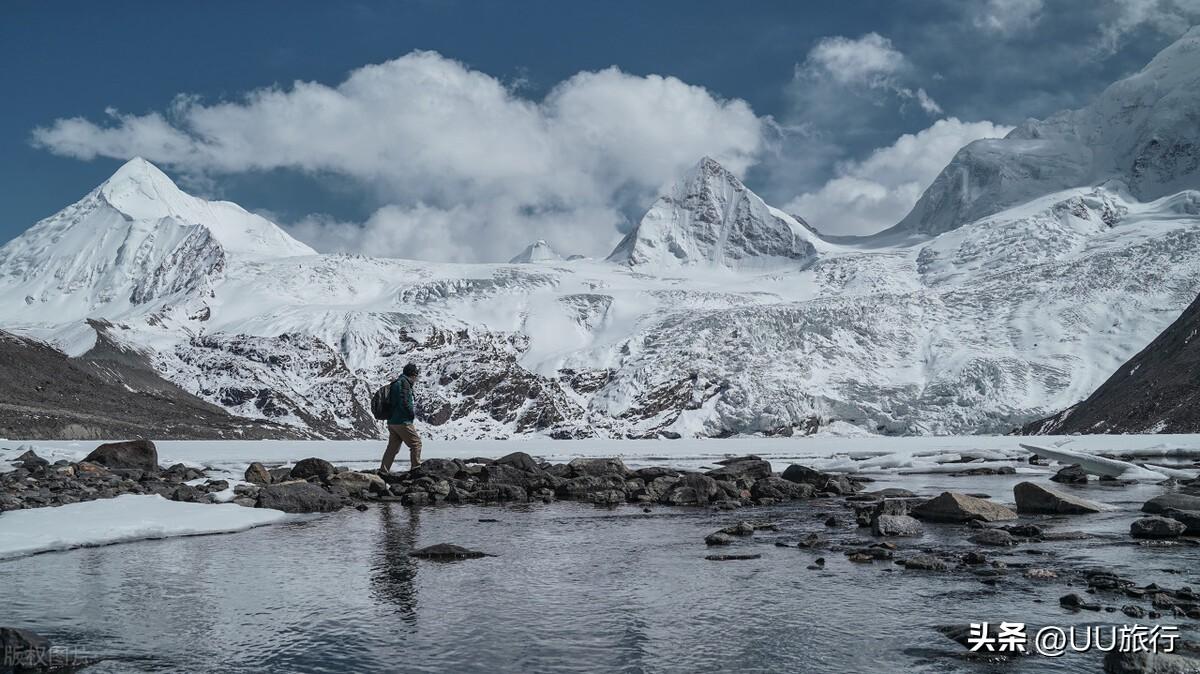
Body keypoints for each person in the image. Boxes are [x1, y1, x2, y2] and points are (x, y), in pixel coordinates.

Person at [380, 363, 422, 473]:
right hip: (402, 421)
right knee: (416, 444)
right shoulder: (404, 383)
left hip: (392, 421)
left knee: (393, 448)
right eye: (415, 375)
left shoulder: (396, 383)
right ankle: (416, 469)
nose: (416, 378)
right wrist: (410, 414)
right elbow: (404, 402)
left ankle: (383, 471)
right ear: (412, 374)